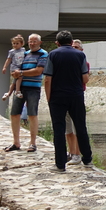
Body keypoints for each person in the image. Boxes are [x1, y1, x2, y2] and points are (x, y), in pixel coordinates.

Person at [44, 30, 92, 173]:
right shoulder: (80, 55)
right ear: (72, 43)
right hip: (76, 96)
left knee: (59, 130)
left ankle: (60, 165)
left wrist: (49, 98)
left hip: (57, 97)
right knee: (81, 127)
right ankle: (88, 160)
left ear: (57, 43)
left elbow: (47, 79)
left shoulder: (52, 55)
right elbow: (85, 78)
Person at [4, 34, 48, 153]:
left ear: (40, 42)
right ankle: (16, 142)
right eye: (30, 41)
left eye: (34, 41)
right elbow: (16, 66)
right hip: (20, 87)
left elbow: (39, 71)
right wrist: (14, 73)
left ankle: (33, 143)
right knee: (14, 114)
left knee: (32, 114)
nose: (32, 43)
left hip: (33, 88)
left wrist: (21, 73)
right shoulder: (24, 54)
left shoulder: (43, 54)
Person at [64, 39, 89, 165]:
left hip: (77, 96)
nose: (74, 49)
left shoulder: (84, 63)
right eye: (73, 46)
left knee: (77, 128)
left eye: (77, 47)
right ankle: (71, 152)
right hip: (65, 96)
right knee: (67, 129)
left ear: (81, 50)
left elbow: (85, 80)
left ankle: (77, 154)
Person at [1, 34, 26, 101]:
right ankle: (17, 91)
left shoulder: (23, 50)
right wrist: (5, 67)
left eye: (17, 43)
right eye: (13, 43)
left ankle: (8, 93)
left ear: (21, 44)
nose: (15, 45)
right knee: (19, 78)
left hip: (21, 67)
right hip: (14, 67)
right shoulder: (12, 51)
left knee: (14, 81)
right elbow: (8, 59)